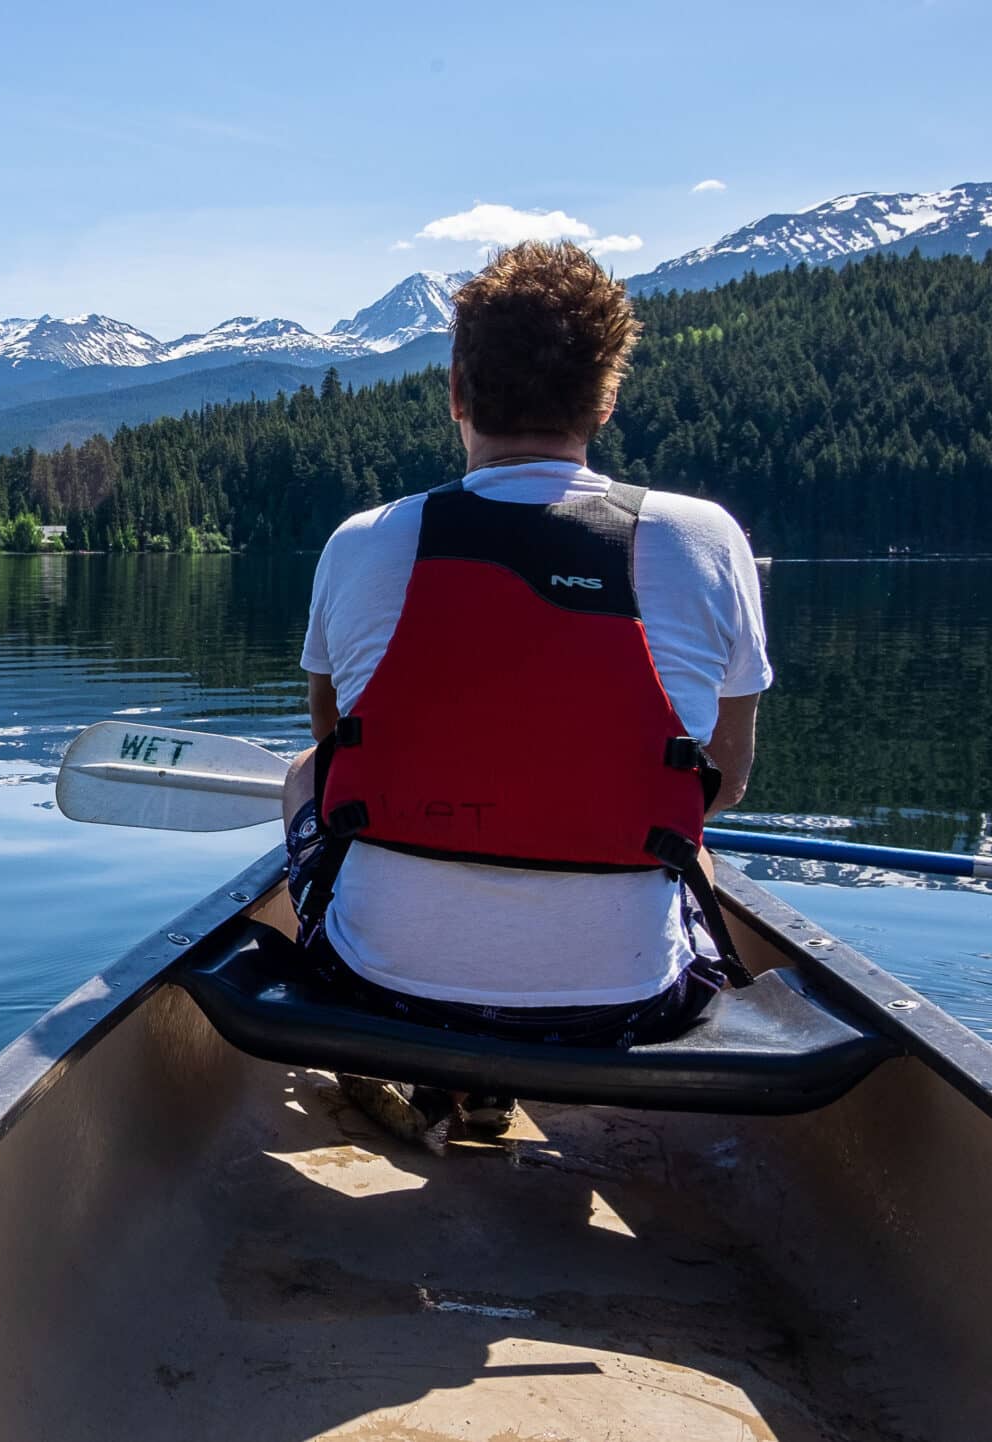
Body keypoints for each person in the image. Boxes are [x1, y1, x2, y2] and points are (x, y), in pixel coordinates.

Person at [287, 240, 771, 1148]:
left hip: (375, 984)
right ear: (607, 397)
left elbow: (339, 752)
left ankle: (420, 1063)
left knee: (302, 774)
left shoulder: (360, 540)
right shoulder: (706, 539)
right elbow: (726, 779)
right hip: (627, 1006)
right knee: (690, 836)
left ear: (458, 395)